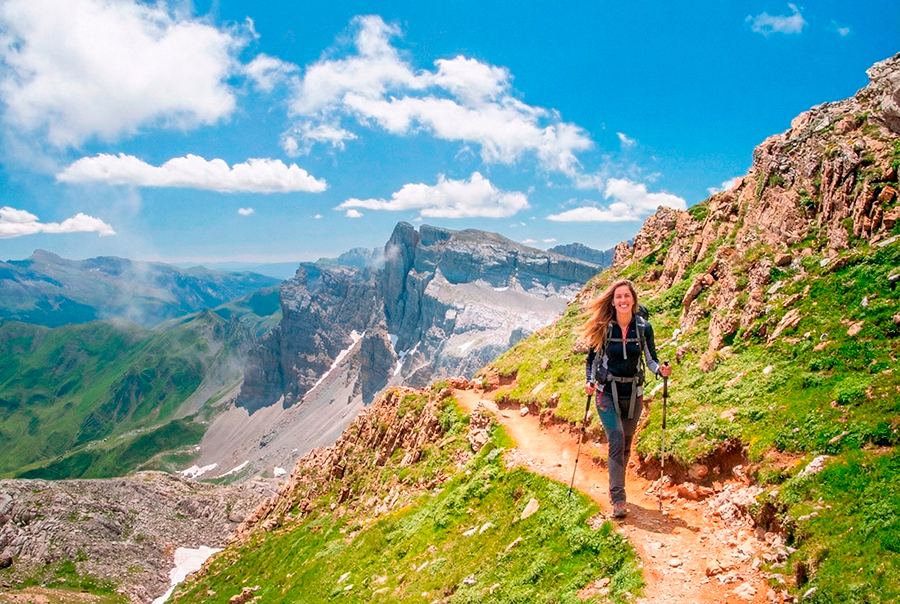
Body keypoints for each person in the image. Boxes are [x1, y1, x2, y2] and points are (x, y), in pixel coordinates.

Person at [582, 279, 671, 518]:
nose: (623, 300)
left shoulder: (643, 328)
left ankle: (615, 488)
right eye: (618, 296)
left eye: (627, 296)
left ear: (633, 300)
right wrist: (589, 381)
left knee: (626, 444)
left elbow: (651, 359)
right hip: (606, 392)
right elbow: (591, 360)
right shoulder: (603, 327)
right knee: (617, 439)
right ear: (612, 301)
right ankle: (618, 498)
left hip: (633, 393)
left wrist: (660, 371)